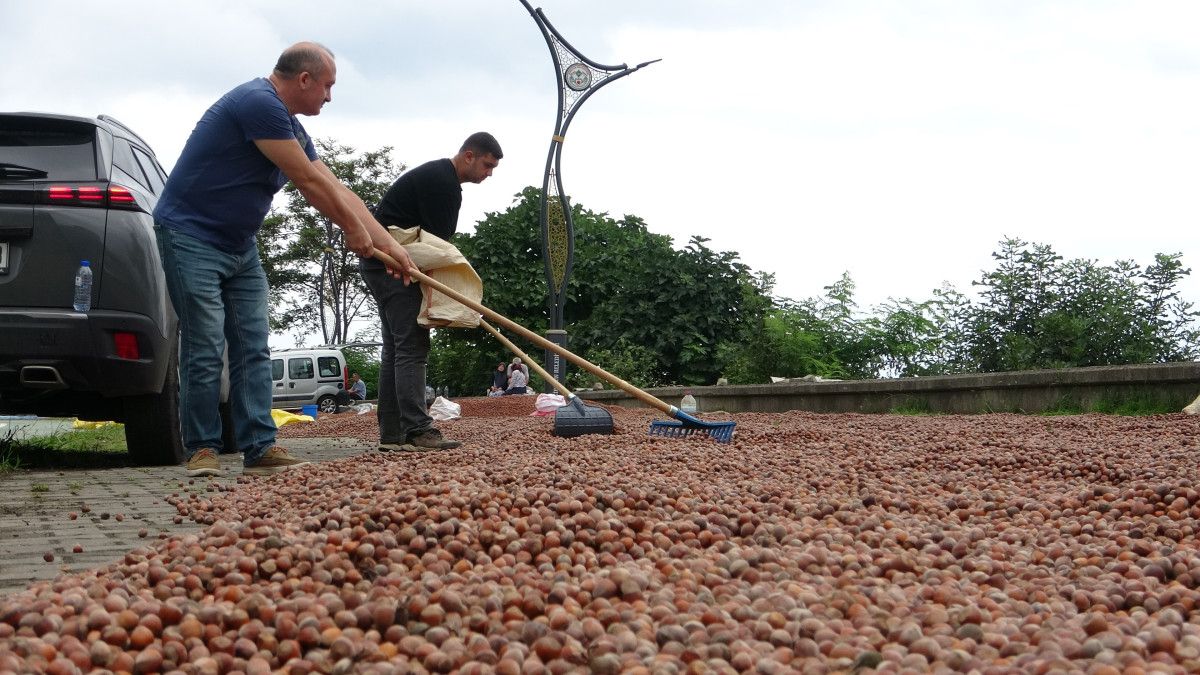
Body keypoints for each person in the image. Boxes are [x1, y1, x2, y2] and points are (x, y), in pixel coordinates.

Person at [154, 42, 414, 477]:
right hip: (190, 236)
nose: (329, 97)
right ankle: (202, 449)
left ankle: (259, 446)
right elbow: (308, 181)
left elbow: (337, 186)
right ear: (304, 80)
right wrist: (351, 231)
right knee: (204, 344)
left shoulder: (289, 123)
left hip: (239, 245)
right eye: (327, 86)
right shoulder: (258, 103)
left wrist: (390, 246)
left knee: (253, 346)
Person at [361, 132, 502, 452]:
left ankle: (394, 431)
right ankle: (418, 429)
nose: (489, 173)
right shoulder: (445, 185)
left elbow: (431, 248)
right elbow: (437, 249)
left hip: (379, 263)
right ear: (469, 156)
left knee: (396, 349)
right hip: (390, 265)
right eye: (487, 165)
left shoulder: (438, 176)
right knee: (412, 344)